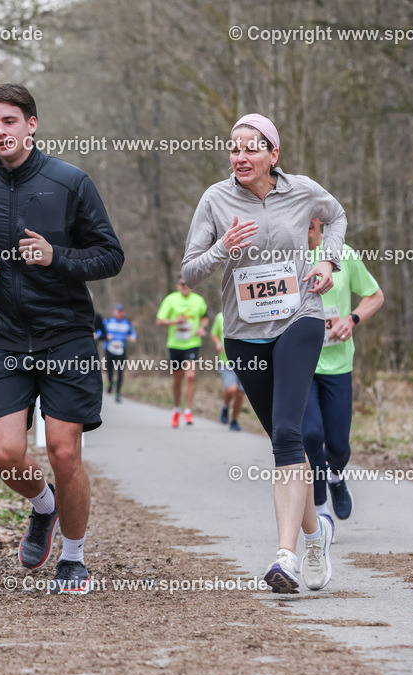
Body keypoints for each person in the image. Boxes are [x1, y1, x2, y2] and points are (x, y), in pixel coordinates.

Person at [0, 82, 124, 594]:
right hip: (2, 340)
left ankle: (73, 559)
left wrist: (57, 257)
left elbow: (110, 256)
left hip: (65, 336)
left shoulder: (70, 182)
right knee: (5, 454)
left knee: (64, 453)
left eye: (9, 121)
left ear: (31, 124)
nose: (0, 132)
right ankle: (44, 506)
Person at [182, 113, 346, 593]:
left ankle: (285, 558)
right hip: (244, 332)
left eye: (251, 148)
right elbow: (190, 271)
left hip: (300, 318)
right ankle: (316, 535)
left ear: (273, 154)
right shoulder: (215, 199)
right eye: (234, 148)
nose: (240, 156)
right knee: (283, 441)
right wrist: (223, 249)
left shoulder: (303, 191)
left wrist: (329, 260)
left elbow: (336, 217)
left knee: (290, 434)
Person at [302, 218, 384, 536]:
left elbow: (375, 296)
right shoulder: (285, 256)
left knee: (337, 446)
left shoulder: (342, 254)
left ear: (321, 220)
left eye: (313, 215)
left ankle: (336, 475)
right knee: (311, 435)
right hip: (301, 364)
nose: (306, 221)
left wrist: (352, 319)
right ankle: (322, 511)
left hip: (337, 363)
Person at [156, 277, 208, 427]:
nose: (185, 286)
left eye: (188, 284)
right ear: (178, 286)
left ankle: (188, 410)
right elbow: (159, 321)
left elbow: (205, 317)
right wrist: (175, 322)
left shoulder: (199, 300)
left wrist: (201, 327)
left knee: (191, 376)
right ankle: (176, 408)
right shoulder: (171, 300)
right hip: (175, 345)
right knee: (177, 380)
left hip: (192, 344)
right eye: (182, 284)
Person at [210, 311, 245, 432]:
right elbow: (214, 334)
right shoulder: (220, 316)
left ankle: (234, 420)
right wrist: (218, 343)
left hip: (246, 364)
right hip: (226, 362)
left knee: (240, 394)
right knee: (231, 389)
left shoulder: (246, 315)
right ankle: (225, 407)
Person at [97, 304, 136, 402]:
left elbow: (132, 333)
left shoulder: (127, 323)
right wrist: (105, 336)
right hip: (109, 349)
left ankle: (117, 393)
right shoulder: (107, 322)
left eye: (121, 312)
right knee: (109, 370)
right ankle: (110, 383)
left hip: (121, 350)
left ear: (123, 313)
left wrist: (133, 337)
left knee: (120, 371)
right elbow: (99, 333)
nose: (119, 313)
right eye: (117, 311)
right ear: (114, 312)